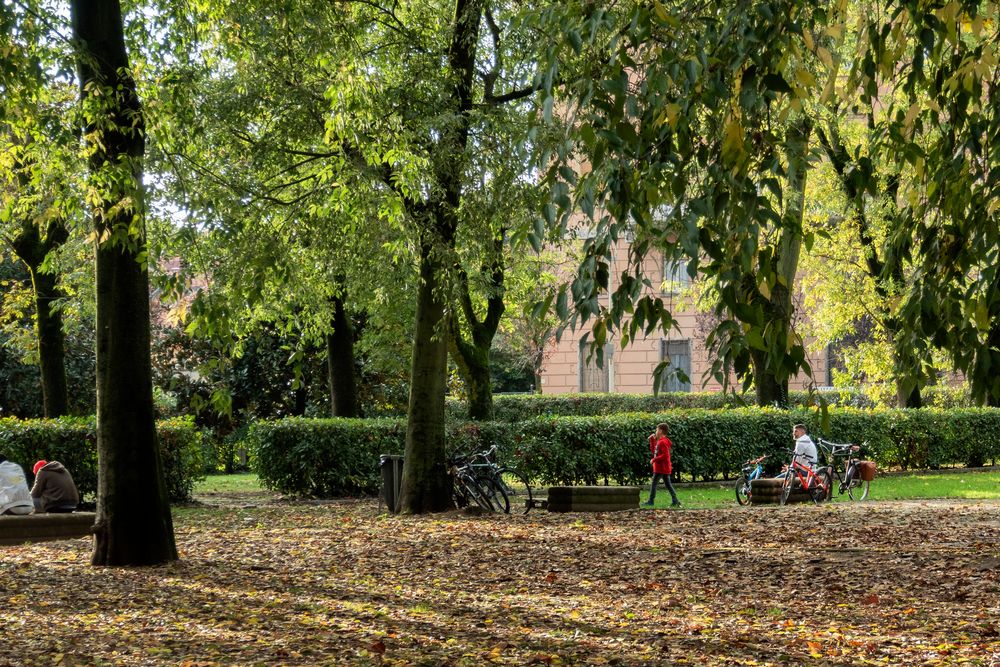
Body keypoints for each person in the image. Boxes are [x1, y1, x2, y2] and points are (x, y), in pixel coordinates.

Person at [642, 422, 681, 507]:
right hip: (662, 467)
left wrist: (654, 459)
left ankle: (650, 501)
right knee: (668, 484)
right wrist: (652, 440)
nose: (655, 431)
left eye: (657, 429)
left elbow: (665, 455)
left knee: (654, 484)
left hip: (661, 467)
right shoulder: (660, 441)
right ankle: (676, 501)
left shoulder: (663, 442)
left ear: (660, 431)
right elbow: (654, 452)